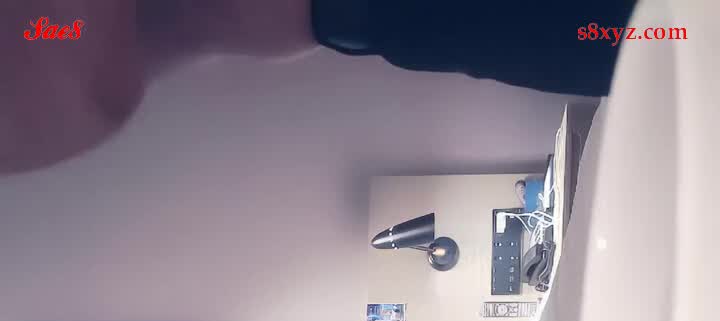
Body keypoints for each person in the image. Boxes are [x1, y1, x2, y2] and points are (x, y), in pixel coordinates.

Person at [1, 0, 635, 174]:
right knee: (654, 38)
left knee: (654, 35)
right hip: (388, 20)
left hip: (391, 19)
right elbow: (92, 81)